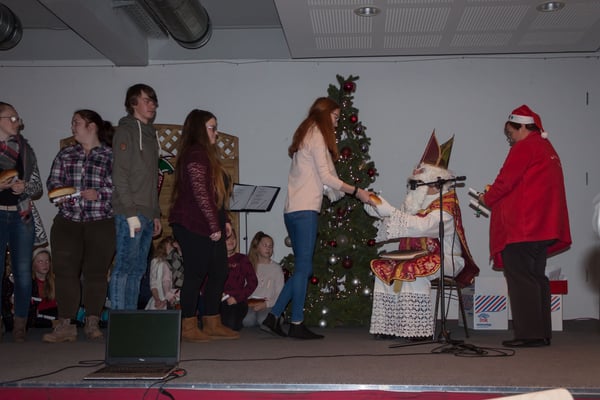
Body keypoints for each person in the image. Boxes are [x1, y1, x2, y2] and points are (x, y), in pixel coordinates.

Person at [261, 97, 374, 340]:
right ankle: (296, 322)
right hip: (305, 211)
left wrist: (334, 191)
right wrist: (357, 191)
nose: (337, 122)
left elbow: (318, 178)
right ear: (324, 114)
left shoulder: (305, 135)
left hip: (292, 211)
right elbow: (327, 177)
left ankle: (274, 316)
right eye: (335, 116)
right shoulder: (317, 135)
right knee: (303, 268)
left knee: (304, 267)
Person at [365, 132, 479, 340]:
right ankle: (390, 326)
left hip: (447, 259)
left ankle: (417, 330)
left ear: (434, 183)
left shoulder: (446, 206)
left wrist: (390, 211)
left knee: (413, 270)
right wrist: (376, 208)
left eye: (418, 183)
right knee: (384, 268)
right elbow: (398, 222)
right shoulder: (414, 203)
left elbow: (422, 227)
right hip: (417, 254)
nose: (414, 188)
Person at [478, 105, 571, 348]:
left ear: (521, 127)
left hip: (523, 227)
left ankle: (529, 334)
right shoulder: (547, 148)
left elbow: (505, 180)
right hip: (542, 226)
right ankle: (541, 333)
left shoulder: (525, 147)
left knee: (521, 279)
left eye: (511, 133)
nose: (511, 139)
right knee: (536, 277)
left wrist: (487, 198)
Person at [43, 109, 116, 343]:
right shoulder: (65, 154)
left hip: (101, 222)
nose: (72, 127)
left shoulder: (110, 155)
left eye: (76, 122)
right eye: (72, 123)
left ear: (91, 126)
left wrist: (100, 193)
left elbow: (120, 188)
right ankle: (66, 323)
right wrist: (60, 194)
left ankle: (92, 321)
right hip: (67, 222)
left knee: (96, 272)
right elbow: (53, 183)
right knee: (65, 271)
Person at [169, 109, 238, 342]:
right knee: (195, 274)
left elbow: (215, 195)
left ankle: (212, 321)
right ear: (199, 129)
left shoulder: (207, 155)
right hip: (192, 223)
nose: (216, 132)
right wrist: (213, 225)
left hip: (208, 220)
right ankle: (188, 326)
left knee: (219, 270)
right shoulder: (195, 153)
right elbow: (200, 194)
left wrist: (224, 221)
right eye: (212, 127)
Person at [110, 84, 162, 310]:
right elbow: (119, 175)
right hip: (130, 212)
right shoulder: (126, 131)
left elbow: (152, 179)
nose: (152, 105)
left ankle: (129, 318)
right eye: (147, 100)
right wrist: (130, 214)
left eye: (153, 101)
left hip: (147, 213)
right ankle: (119, 320)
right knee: (124, 267)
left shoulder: (150, 135)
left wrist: (155, 214)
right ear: (133, 104)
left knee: (138, 270)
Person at [0, 101, 44, 342]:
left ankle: (20, 323)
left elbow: (37, 187)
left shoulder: (26, 150)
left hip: (21, 216)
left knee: (23, 272)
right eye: (12, 118)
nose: (18, 122)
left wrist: (24, 187)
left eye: (18, 118)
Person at [243, 231, 284, 329]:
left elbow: (279, 294)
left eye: (270, 246)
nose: (268, 248)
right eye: (265, 245)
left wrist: (265, 304)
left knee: (263, 320)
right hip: (251, 303)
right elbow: (244, 287)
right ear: (256, 247)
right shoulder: (250, 266)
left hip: (269, 304)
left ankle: (277, 317)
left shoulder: (276, 269)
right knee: (247, 321)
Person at [220, 229, 257, 331]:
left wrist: (238, 298)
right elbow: (206, 282)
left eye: (233, 238)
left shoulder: (242, 259)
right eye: (227, 238)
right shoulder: (215, 259)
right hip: (219, 299)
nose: (231, 240)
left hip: (237, 300)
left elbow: (253, 282)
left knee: (231, 326)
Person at [145, 236, 181, 310]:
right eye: (170, 244)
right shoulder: (156, 261)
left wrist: (170, 299)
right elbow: (153, 284)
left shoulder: (178, 262)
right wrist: (157, 300)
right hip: (158, 299)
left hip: (174, 300)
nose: (172, 247)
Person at [29, 247, 58, 328]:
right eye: (40, 261)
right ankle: (54, 323)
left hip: (53, 312)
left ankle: (56, 323)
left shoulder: (55, 280)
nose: (45, 265)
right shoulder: (29, 282)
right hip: (37, 314)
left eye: (47, 261)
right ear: (33, 264)